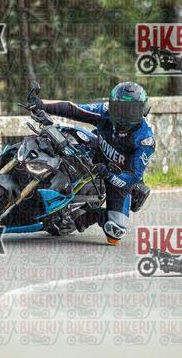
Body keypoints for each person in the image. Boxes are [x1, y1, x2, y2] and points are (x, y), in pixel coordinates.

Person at [28, 82, 155, 244]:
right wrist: (42, 105)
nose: (124, 115)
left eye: (130, 110)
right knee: (65, 132)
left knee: (115, 232)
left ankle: (93, 214)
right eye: (119, 109)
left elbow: (133, 177)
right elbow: (74, 109)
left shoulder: (144, 140)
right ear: (112, 105)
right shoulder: (105, 111)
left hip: (118, 176)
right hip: (96, 149)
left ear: (142, 110)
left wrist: (109, 174)